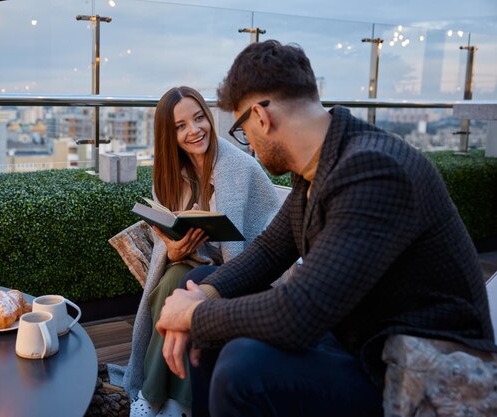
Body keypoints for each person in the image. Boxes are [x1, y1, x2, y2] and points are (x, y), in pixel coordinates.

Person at [156, 40, 497, 417]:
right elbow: (270, 251)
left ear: (261, 118)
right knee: (206, 278)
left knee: (243, 368)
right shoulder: (317, 164)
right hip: (362, 339)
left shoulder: (375, 171)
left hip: (422, 368)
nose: (247, 142)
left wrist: (193, 316)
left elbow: (300, 312)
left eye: (241, 130)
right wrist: (201, 295)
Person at [110, 86, 283, 417]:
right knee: (174, 274)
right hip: (198, 267)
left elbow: (253, 245)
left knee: (179, 282)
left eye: (199, 118)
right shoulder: (171, 176)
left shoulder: (236, 167)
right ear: (168, 134)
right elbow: (168, 251)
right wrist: (174, 251)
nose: (194, 130)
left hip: (249, 272)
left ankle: (153, 397)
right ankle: (169, 401)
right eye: (180, 126)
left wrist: (195, 258)